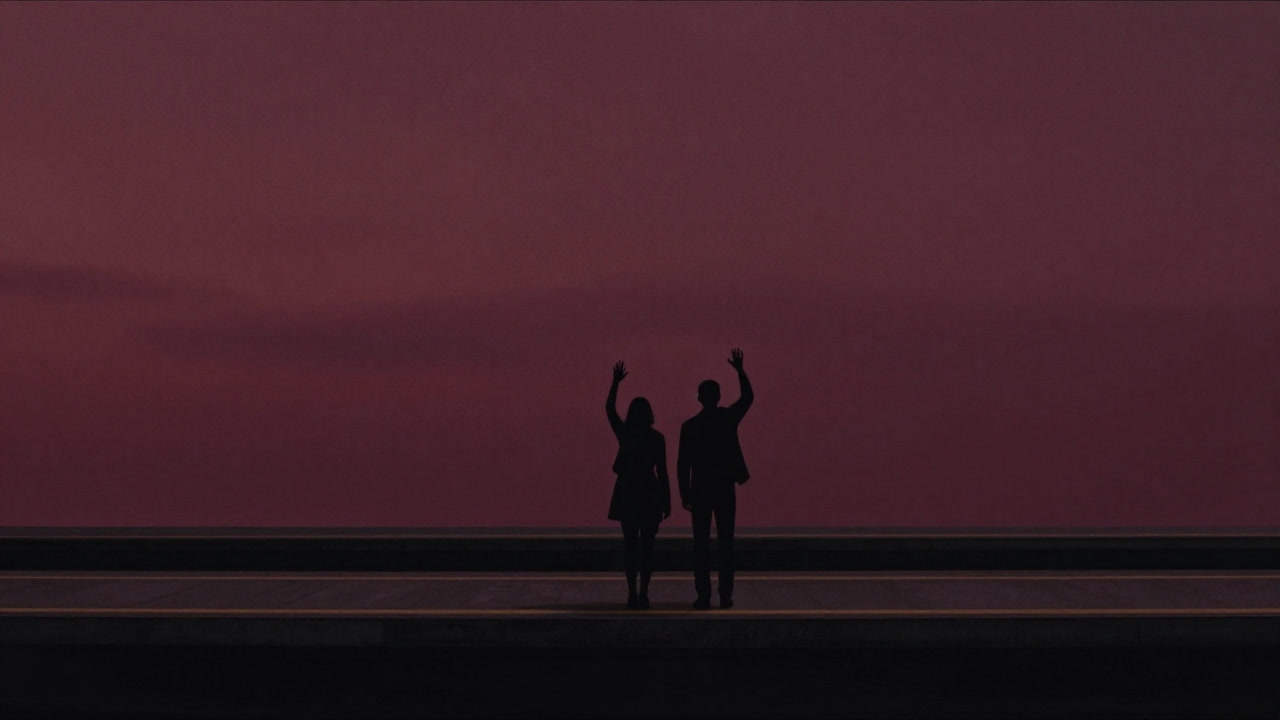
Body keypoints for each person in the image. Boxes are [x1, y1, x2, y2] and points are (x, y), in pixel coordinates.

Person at [678, 348, 753, 610]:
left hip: (701, 488)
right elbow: (747, 398)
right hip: (722, 487)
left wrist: (684, 493)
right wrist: (741, 372)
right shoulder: (726, 418)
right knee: (725, 544)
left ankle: (704, 595)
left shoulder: (690, 426)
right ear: (717, 396)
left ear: (699, 398)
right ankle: (724, 595)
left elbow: (682, 463)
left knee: (701, 545)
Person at [605, 361, 672, 609]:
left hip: (629, 492)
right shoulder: (656, 439)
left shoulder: (627, 434)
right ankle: (642, 593)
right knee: (647, 548)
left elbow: (610, 410)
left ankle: (633, 593)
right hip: (649, 493)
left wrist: (615, 384)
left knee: (631, 546)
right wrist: (667, 501)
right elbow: (662, 472)